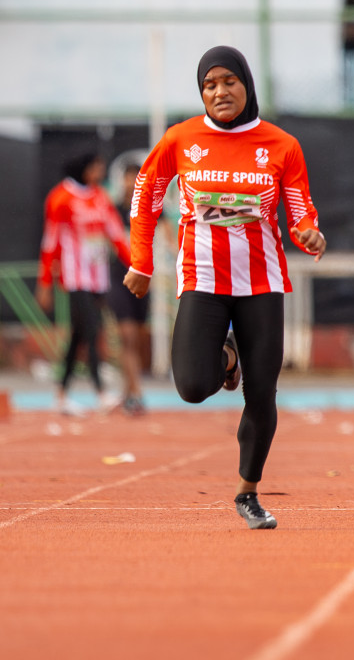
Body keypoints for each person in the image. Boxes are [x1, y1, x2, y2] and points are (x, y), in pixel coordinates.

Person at [124, 46, 326, 530]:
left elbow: (300, 206)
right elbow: (146, 195)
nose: (220, 92)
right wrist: (141, 262)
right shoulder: (181, 139)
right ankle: (227, 357)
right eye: (209, 85)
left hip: (262, 282)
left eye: (228, 81)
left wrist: (308, 231)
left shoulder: (281, 145)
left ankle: (248, 493)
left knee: (262, 395)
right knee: (193, 386)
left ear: (246, 85)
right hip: (203, 278)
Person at [38, 152, 130, 416]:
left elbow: (115, 234)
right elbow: (50, 242)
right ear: (84, 168)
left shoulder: (100, 197)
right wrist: (45, 283)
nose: (101, 171)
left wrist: (138, 266)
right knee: (92, 330)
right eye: (97, 166)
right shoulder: (61, 198)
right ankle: (101, 393)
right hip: (75, 277)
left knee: (79, 335)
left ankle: (61, 395)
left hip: (98, 278)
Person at [105, 156, 150, 415]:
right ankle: (138, 396)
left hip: (145, 283)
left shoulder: (150, 208)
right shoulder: (112, 209)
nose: (131, 182)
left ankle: (127, 392)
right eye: (128, 176)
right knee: (127, 337)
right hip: (119, 280)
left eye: (136, 176)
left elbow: (168, 236)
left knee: (137, 343)